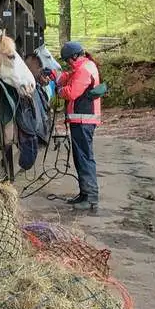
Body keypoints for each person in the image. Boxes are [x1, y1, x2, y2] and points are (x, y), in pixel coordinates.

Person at [55, 41, 103, 212]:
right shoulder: (84, 67)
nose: (68, 63)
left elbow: (71, 92)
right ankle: (84, 194)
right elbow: (69, 76)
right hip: (82, 120)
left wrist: (58, 90)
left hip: (83, 120)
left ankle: (90, 197)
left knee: (84, 158)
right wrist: (57, 76)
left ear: (75, 56)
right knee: (81, 157)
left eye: (68, 60)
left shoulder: (83, 70)